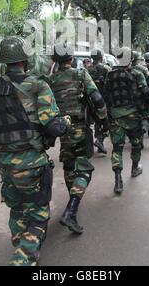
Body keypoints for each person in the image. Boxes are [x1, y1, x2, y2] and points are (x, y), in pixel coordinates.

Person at [0, 36, 67, 266]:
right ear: (25, 59)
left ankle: (22, 247)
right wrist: (65, 122)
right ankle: (22, 258)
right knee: (38, 214)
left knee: (17, 209)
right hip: (31, 162)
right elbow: (54, 127)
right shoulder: (38, 85)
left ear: (4, 61)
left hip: (5, 163)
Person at [49, 44, 109, 234]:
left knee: (68, 164)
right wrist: (104, 119)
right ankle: (71, 209)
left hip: (60, 128)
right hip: (79, 127)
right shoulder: (80, 74)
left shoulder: (50, 80)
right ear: (70, 58)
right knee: (84, 168)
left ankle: (73, 195)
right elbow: (97, 98)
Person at [104, 47, 149, 194]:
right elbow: (147, 93)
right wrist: (147, 109)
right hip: (134, 116)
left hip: (115, 117)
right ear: (131, 58)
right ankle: (135, 168)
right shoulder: (137, 74)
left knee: (117, 148)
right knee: (136, 144)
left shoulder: (110, 75)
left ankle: (118, 179)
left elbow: (105, 94)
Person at [131, 51, 149, 147]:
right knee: (146, 116)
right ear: (138, 59)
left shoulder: (125, 69)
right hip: (142, 98)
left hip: (130, 100)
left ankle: (136, 138)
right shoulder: (143, 69)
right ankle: (142, 132)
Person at [88, 48, 110, 154]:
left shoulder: (87, 69)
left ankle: (99, 140)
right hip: (104, 100)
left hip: (91, 101)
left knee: (97, 120)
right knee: (106, 122)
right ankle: (100, 140)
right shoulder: (106, 69)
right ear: (101, 57)